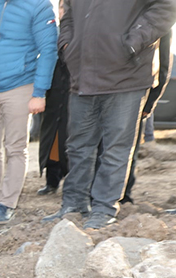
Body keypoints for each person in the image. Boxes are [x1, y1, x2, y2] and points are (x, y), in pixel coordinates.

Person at [44, 0, 176, 230]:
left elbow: (166, 6)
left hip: (127, 77)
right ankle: (74, 204)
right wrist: (67, 44)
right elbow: (68, 12)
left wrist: (133, 42)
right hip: (83, 76)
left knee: (116, 148)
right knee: (78, 146)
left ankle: (104, 209)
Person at [0, 0, 57, 225]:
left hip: (20, 86)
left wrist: (39, 92)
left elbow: (48, 50)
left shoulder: (39, 6)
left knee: (15, 147)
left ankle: (7, 203)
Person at [121, 31, 172, 205]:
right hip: (102, 91)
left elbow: (163, 64)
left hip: (137, 95)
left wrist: (150, 102)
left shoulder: (158, 21)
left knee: (127, 149)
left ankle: (123, 195)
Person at [37, 0, 70, 197]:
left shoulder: (81, 32)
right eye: (61, 7)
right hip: (54, 93)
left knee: (71, 139)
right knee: (52, 140)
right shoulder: (52, 32)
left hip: (73, 94)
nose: (62, 11)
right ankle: (52, 181)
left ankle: (72, 183)